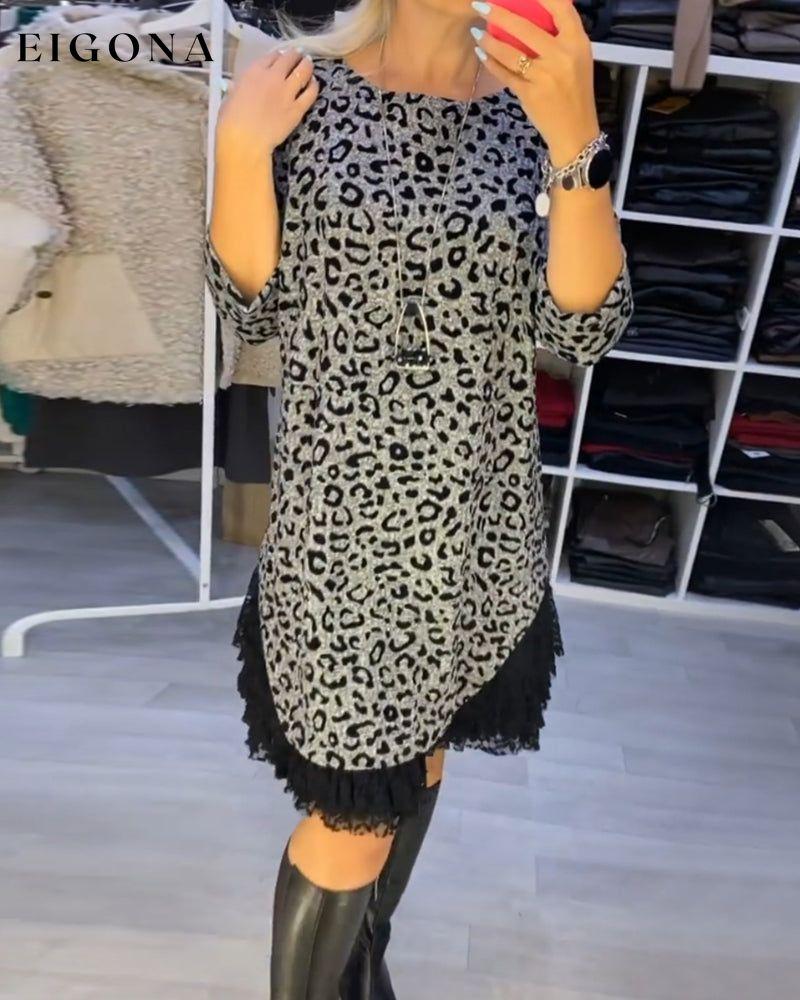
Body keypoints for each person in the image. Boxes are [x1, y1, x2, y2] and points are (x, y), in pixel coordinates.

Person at [204, 0, 633, 995]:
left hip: (478, 528)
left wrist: (575, 138)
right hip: (340, 538)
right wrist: (239, 147)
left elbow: (585, 325)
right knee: (354, 813)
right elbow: (249, 304)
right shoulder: (297, 86)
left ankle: (363, 964)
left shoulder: (532, 107)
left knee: (423, 757)